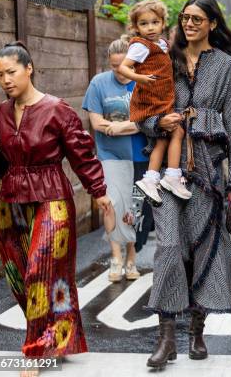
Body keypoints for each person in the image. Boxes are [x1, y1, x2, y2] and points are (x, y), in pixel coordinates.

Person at [137, 0, 231, 369]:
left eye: (197, 19)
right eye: (185, 18)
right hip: (166, 173)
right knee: (168, 246)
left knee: (203, 246)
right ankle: (166, 337)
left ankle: (197, 332)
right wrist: (158, 124)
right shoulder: (163, 59)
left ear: (212, 24)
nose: (189, 24)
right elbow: (141, 110)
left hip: (207, 171)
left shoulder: (228, 68)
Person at [0, 42, 113, 372]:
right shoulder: (3, 111)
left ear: (29, 69)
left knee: (39, 273)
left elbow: (82, 155)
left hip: (52, 199)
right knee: (18, 276)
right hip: (12, 200)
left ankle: (36, 350)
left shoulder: (57, 109)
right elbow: (4, 154)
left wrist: (99, 193)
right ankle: (60, 336)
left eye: (11, 72)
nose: (5, 80)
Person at [83, 36, 150, 282]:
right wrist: (128, 125)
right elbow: (96, 122)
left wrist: (117, 127)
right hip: (110, 155)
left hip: (140, 154)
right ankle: (115, 257)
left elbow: (146, 123)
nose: (120, 71)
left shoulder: (143, 83)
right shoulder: (99, 84)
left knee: (134, 206)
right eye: (114, 66)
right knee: (111, 204)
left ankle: (131, 257)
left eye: (125, 65)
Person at [119, 0, 191, 204]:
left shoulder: (163, 45)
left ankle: (152, 178)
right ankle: (171, 175)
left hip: (162, 97)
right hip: (152, 100)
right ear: (135, 27)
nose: (150, 28)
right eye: (143, 24)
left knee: (163, 138)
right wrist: (139, 78)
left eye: (154, 22)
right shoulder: (141, 47)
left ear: (162, 23)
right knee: (176, 131)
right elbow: (124, 67)